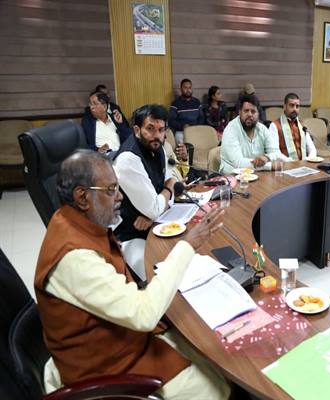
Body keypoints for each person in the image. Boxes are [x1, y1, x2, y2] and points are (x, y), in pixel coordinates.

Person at [34, 150, 230, 400]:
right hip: (106, 368)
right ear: (82, 197)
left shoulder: (71, 221)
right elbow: (144, 315)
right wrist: (188, 245)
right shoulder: (75, 258)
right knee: (218, 388)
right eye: (111, 190)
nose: (120, 196)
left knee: (212, 350)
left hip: (119, 339)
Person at [113, 104, 177, 279]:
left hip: (155, 224)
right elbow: (169, 188)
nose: (157, 135)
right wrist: (166, 192)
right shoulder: (128, 159)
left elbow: (170, 186)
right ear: (137, 130)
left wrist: (153, 214)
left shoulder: (158, 147)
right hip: (130, 235)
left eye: (161, 130)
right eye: (150, 129)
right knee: (162, 278)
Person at [220, 95, 281, 174]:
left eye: (253, 111)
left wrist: (267, 157)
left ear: (258, 114)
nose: (249, 114)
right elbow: (238, 163)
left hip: (258, 174)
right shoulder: (230, 130)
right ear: (239, 112)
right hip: (233, 176)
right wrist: (270, 166)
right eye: (246, 111)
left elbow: (276, 153)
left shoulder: (262, 129)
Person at [81, 91, 131, 156]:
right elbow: (83, 145)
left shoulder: (115, 118)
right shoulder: (87, 122)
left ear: (104, 106)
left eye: (95, 104)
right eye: (90, 104)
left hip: (121, 153)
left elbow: (128, 139)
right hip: (103, 157)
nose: (91, 107)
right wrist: (97, 150)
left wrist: (120, 124)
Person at [269, 93, 316, 161]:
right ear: (284, 107)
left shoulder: (302, 125)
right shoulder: (274, 126)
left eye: (297, 106)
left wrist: (308, 159)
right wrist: (291, 162)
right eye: (291, 105)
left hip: (303, 164)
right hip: (285, 164)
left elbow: (312, 149)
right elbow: (274, 152)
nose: (295, 109)